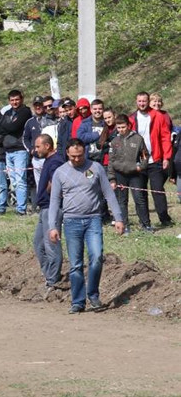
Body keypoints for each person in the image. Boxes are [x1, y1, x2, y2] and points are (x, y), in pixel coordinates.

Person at [48, 138, 125, 314]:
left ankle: (93, 295)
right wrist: (53, 226)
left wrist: (118, 218)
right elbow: (54, 202)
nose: (77, 159)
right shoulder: (60, 173)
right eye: (73, 156)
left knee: (97, 257)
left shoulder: (95, 168)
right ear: (67, 152)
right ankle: (78, 301)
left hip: (93, 220)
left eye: (80, 155)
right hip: (71, 221)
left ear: (85, 152)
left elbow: (108, 194)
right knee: (75, 264)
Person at [129, 91, 173, 227]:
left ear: (148, 101)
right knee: (140, 193)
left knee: (157, 190)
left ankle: (165, 219)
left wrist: (166, 157)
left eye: (144, 101)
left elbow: (165, 137)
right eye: (140, 101)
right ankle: (145, 223)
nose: (142, 104)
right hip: (138, 162)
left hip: (155, 160)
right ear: (136, 102)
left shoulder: (158, 116)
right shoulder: (132, 118)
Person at [33, 134, 65, 293]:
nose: (35, 149)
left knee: (51, 244)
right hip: (44, 208)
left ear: (47, 146)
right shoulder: (48, 160)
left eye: (38, 146)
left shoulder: (56, 161)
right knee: (38, 244)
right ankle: (49, 275)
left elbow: (58, 182)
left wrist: (50, 191)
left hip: (51, 208)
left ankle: (53, 280)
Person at [108, 114, 151, 234]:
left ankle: (146, 224)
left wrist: (140, 167)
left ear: (128, 125)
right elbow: (111, 161)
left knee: (139, 199)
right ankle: (125, 225)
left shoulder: (138, 139)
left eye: (123, 127)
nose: (121, 130)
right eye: (119, 127)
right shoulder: (114, 142)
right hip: (120, 174)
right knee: (122, 201)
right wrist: (112, 178)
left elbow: (145, 156)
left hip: (135, 175)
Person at [0, 89, 32, 215]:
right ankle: (18, 204)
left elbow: (14, 127)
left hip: (20, 150)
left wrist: (7, 127)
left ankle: (21, 209)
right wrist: (8, 127)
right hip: (8, 151)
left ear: (21, 99)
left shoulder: (25, 111)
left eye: (17, 99)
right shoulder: (7, 112)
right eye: (12, 100)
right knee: (13, 181)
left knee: (20, 180)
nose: (15, 102)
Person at [77, 99, 107, 163]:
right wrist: (97, 134)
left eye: (100, 109)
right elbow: (80, 137)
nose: (97, 111)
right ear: (91, 110)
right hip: (88, 159)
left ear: (103, 109)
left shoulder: (107, 123)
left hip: (103, 160)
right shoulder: (85, 123)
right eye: (95, 109)